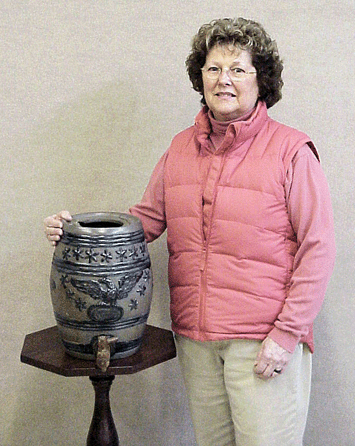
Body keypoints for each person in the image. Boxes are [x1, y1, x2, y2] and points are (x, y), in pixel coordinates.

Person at [44, 17, 336, 446]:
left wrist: (286, 334)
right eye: (214, 68)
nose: (224, 80)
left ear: (262, 80)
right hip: (196, 339)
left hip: (263, 340)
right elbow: (142, 223)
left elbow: (319, 248)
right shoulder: (180, 148)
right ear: (200, 77)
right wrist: (76, 233)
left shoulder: (291, 151)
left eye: (238, 69)